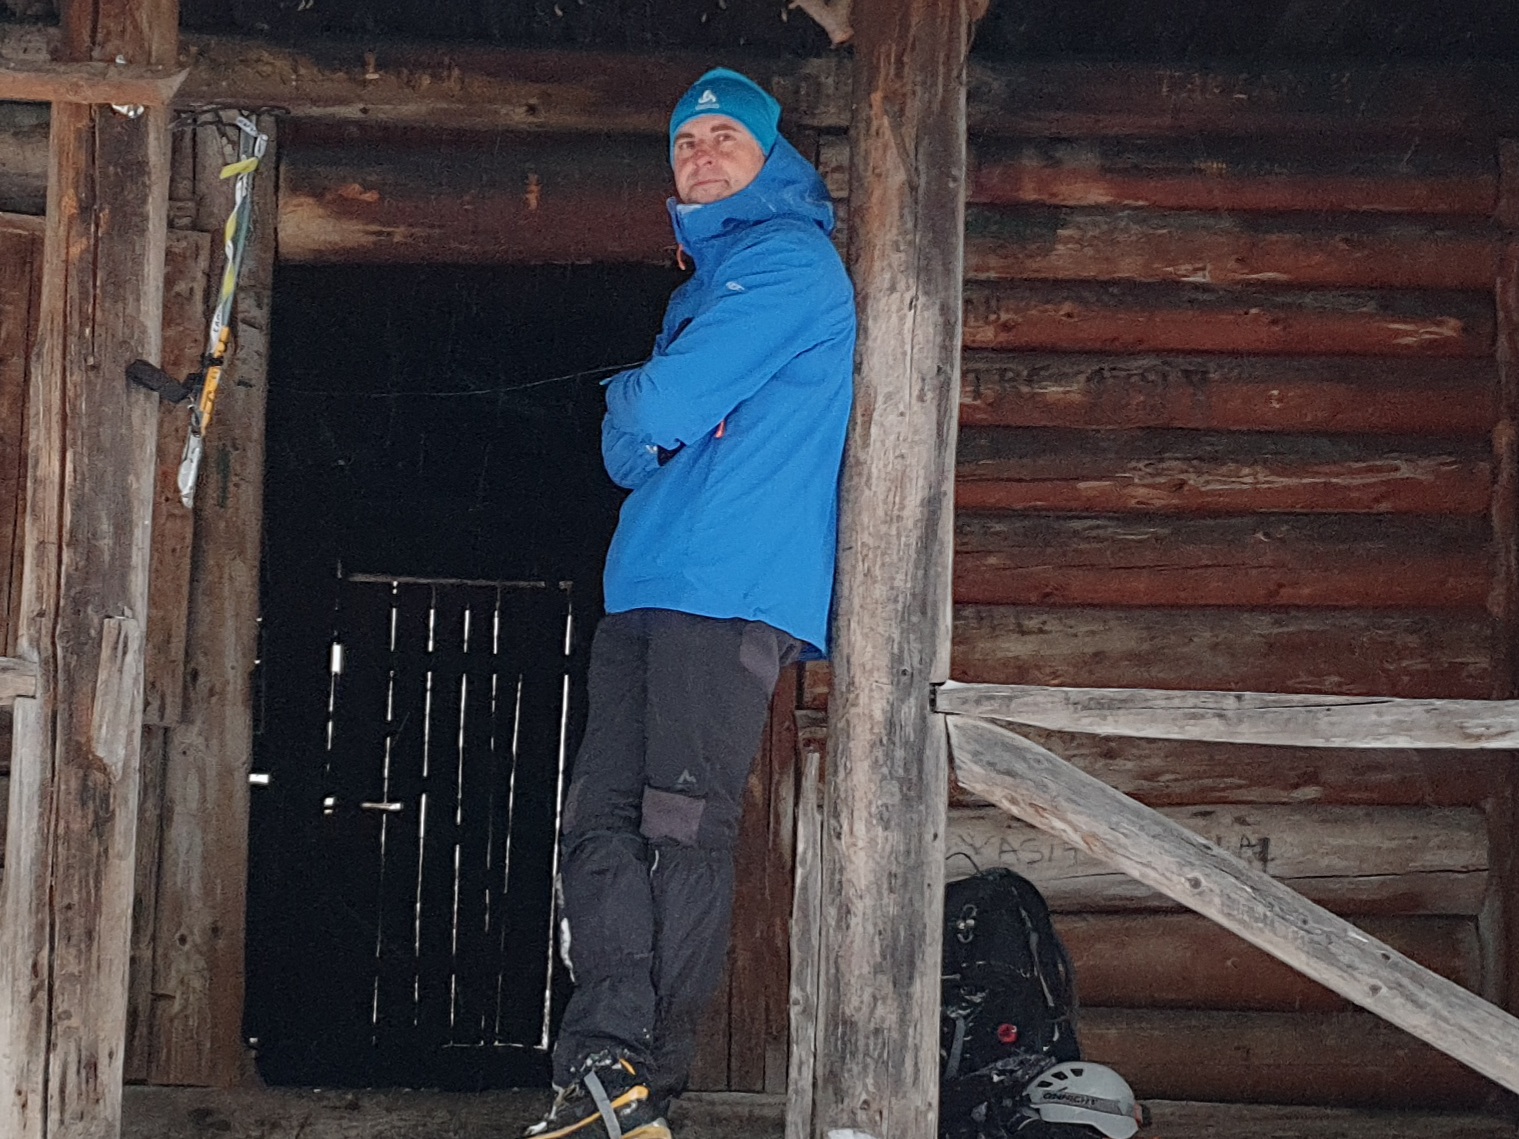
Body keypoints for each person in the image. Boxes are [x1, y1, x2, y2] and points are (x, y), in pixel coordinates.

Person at [525, 68, 856, 1139]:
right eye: (684, 142)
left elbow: (653, 406)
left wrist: (641, 399)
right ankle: (603, 1064)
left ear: (770, 157)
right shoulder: (700, 291)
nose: (700, 155)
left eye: (723, 138)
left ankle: (652, 1080)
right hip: (645, 582)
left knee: (680, 826)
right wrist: (652, 414)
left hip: (731, 585)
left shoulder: (789, 261)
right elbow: (626, 455)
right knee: (598, 821)